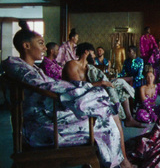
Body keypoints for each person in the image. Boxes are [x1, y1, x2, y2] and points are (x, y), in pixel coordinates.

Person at [3, 22, 134, 168]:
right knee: (105, 117)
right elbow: (49, 87)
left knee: (106, 108)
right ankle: (117, 162)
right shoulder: (23, 70)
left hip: (47, 112)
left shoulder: (30, 68)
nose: (44, 48)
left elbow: (51, 85)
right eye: (40, 43)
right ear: (26, 46)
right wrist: (90, 86)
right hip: (42, 121)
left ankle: (116, 160)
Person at [63, 42, 143, 128]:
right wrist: (101, 83)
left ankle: (129, 119)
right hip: (81, 96)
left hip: (93, 89)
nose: (94, 56)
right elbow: (79, 88)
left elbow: (97, 79)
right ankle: (120, 118)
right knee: (111, 89)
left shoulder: (89, 68)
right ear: (86, 52)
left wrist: (105, 82)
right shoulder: (72, 64)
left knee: (120, 84)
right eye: (93, 53)